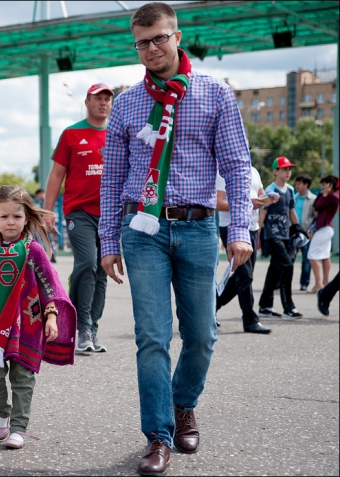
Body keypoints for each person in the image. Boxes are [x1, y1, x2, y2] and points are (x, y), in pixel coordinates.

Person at [98, 3, 253, 474]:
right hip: (142, 230)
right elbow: (111, 180)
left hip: (200, 226)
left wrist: (240, 229)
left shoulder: (214, 94)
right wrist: (108, 241)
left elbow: (237, 166)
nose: (151, 49)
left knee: (203, 335)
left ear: (177, 36)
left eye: (159, 38)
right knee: (151, 337)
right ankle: (159, 434)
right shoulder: (125, 103)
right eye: (142, 42)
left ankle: (184, 403)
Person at [0, 185, 76, 450]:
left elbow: (50, 286)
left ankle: (19, 428)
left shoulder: (34, 250)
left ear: (26, 219)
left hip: (29, 325)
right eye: (4, 217)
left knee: (23, 378)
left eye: (17, 216)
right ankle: (4, 412)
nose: (10, 222)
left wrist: (51, 316)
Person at [43, 83, 113, 353]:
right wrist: (48, 211)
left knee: (103, 269)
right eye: (98, 98)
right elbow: (56, 175)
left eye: (108, 98)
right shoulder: (72, 134)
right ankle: (80, 325)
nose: (103, 103)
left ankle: (92, 327)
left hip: (110, 214)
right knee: (87, 263)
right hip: (79, 213)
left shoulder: (117, 133)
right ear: (87, 102)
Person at [216, 166, 277, 334]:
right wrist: (248, 204)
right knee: (245, 276)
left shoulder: (255, 171)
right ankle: (250, 320)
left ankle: (211, 306)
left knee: (242, 277)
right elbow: (217, 202)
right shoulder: (223, 171)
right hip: (231, 227)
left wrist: (267, 200)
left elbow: (260, 196)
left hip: (252, 227)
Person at [258, 157, 303, 320]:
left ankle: (264, 306)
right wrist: (258, 236)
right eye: (284, 169)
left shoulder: (290, 190)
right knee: (287, 266)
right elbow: (262, 212)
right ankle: (288, 307)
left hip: (285, 235)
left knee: (275, 270)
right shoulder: (269, 190)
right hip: (272, 235)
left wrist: (297, 227)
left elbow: (291, 211)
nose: (288, 172)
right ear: (275, 171)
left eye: (289, 169)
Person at [307, 175, 339, 293]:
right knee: (325, 256)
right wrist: (324, 194)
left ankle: (319, 283)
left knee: (311, 255)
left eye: (326, 184)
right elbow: (316, 205)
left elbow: (320, 205)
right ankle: (325, 283)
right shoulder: (324, 195)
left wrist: (325, 194)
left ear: (331, 185)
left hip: (325, 228)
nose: (323, 186)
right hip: (323, 228)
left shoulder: (334, 197)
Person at [293, 174, 317, 291]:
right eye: (296, 183)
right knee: (289, 259)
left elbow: (316, 217)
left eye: (299, 183)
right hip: (294, 232)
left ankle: (304, 283)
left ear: (306, 185)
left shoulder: (313, 199)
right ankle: (282, 282)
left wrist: (311, 230)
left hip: (306, 234)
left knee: (306, 259)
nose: (297, 186)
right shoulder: (294, 198)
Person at [33, 188, 57, 263]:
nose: (37, 197)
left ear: (41, 193)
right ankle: (51, 254)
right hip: (43, 224)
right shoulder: (41, 202)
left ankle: (51, 254)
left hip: (45, 224)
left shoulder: (45, 203)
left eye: (38, 195)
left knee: (47, 240)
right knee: (49, 240)